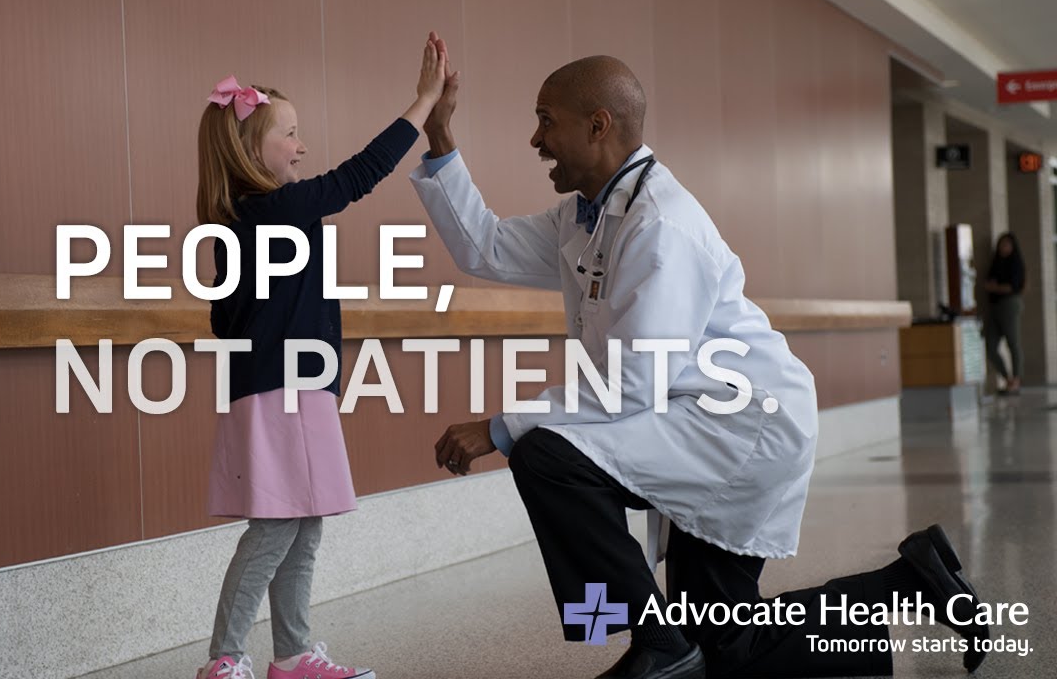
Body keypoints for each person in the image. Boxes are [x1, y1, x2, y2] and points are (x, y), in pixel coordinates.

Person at [411, 41, 989, 679]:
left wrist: (497, 428)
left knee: (547, 454)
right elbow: (486, 249)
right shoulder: (587, 216)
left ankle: (654, 642)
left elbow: (634, 379)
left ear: (598, 125)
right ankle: (907, 583)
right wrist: (440, 136)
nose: (536, 139)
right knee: (726, 650)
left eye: (547, 120)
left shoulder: (660, 224)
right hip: (693, 421)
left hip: (740, 428)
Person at [194, 36, 446, 679]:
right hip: (281, 390)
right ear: (250, 149)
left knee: (304, 526)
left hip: (295, 386)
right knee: (278, 528)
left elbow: (225, 318)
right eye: (291, 134)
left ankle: (293, 655)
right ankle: (224, 659)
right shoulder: (269, 211)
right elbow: (359, 175)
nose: (302, 147)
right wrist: (423, 102)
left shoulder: (249, 221)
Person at [982, 232, 1025, 394]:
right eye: (1001, 244)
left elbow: (1013, 287)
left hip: (1009, 305)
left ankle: (1017, 378)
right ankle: (1007, 378)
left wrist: (996, 287)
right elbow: (988, 283)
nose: (1003, 247)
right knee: (990, 345)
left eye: (1006, 244)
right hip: (994, 306)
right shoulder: (996, 263)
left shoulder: (1015, 264)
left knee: (1013, 341)